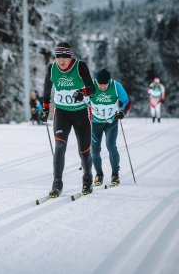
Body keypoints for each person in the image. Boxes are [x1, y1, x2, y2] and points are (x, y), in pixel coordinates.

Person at [41, 42, 96, 197]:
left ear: (70, 57)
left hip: (80, 114)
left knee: (84, 152)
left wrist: (82, 92)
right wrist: (45, 109)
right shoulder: (52, 68)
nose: (61, 61)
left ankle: (87, 178)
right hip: (61, 114)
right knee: (59, 147)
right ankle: (57, 183)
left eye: (64, 57)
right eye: (58, 57)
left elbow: (92, 88)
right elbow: (47, 90)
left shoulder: (80, 66)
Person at [89, 69, 131, 186]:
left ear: (109, 82)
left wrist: (122, 112)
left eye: (105, 84)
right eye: (100, 84)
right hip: (96, 122)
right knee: (95, 150)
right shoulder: (91, 85)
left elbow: (126, 101)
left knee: (111, 145)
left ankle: (115, 174)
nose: (102, 87)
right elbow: (83, 100)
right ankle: (99, 174)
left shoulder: (116, 86)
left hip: (111, 122)